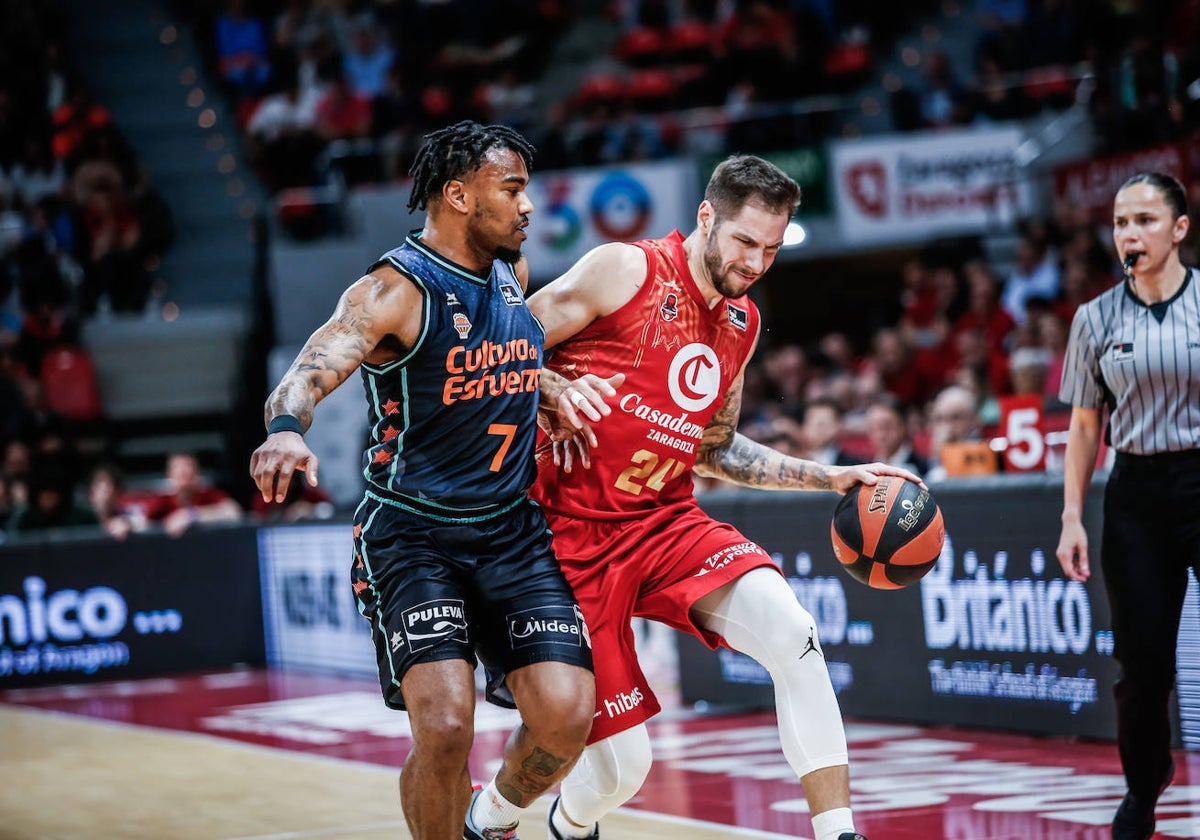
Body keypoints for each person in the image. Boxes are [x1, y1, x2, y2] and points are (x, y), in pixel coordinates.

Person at [499, 155, 923, 840]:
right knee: (621, 774)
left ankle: (839, 831)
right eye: (745, 242)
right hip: (565, 536)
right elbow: (499, 347)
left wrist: (828, 478)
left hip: (664, 522)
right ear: (706, 218)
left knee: (795, 633)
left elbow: (714, 447)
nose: (757, 262)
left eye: (772, 249)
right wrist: (551, 390)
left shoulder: (741, 323)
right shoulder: (624, 271)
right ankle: (540, 823)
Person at [248, 121, 606, 840]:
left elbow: (489, 356)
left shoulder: (514, 271)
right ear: (458, 196)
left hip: (511, 529)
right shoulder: (391, 289)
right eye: (512, 189)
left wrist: (548, 386)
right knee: (444, 728)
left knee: (566, 718)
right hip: (413, 535)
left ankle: (492, 817)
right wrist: (286, 429)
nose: (529, 205)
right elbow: (313, 366)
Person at [1056, 171, 1200, 840]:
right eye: (1119, 223)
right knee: (1142, 667)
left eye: (1144, 220)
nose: (1128, 234)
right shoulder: (1093, 318)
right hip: (1137, 493)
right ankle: (1144, 790)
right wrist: (1070, 517)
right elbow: (1086, 426)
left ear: (1178, 229)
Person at [142, 452, 243, 538]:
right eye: (178, 468)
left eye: (188, 466)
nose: (183, 471)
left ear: (196, 473)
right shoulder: (161, 500)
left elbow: (234, 512)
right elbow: (142, 523)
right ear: (170, 474)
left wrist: (191, 515)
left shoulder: (209, 494)